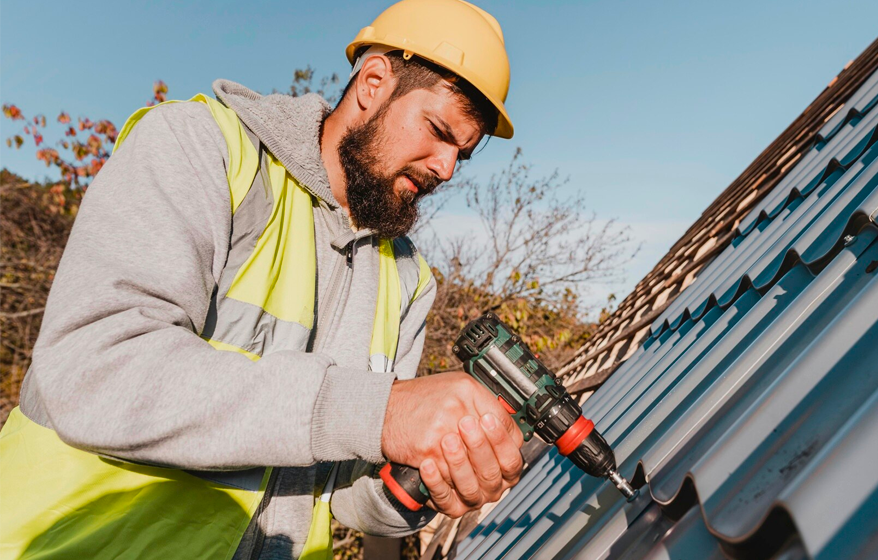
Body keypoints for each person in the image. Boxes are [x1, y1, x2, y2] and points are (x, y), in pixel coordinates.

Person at [0, 1, 521, 558]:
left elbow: (347, 496)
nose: (445, 168)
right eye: (438, 131)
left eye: (461, 155)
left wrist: (425, 479)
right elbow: (92, 370)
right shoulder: (202, 148)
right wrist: (379, 410)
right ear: (373, 81)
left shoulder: (409, 279)